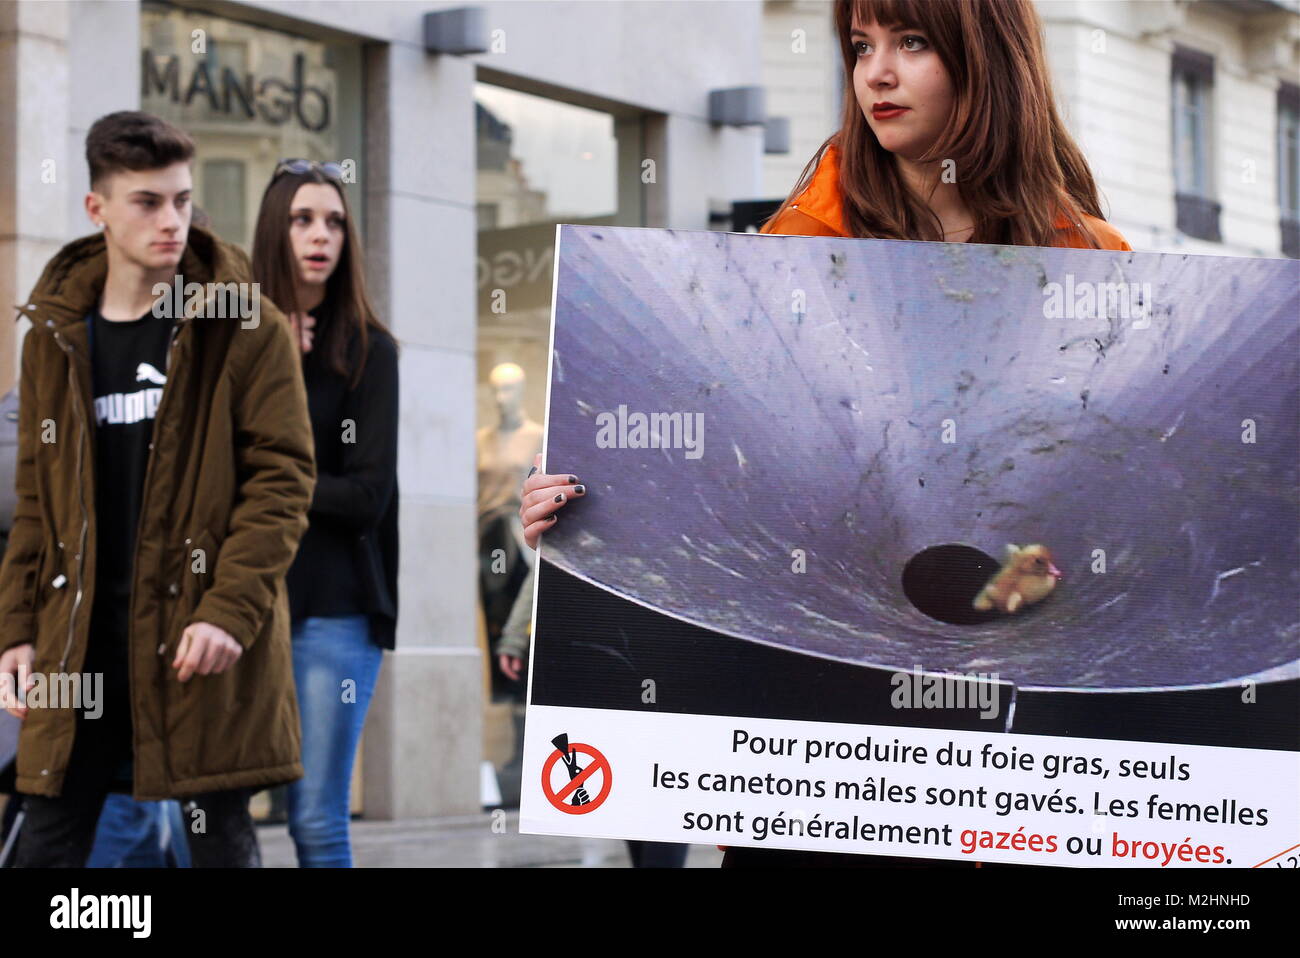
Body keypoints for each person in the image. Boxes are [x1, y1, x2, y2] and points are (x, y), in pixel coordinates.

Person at [518, 0, 1132, 867]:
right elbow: (708, 474)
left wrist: (1023, 585)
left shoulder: (1094, 267)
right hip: (812, 761)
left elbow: (1119, 518)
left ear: (986, 56)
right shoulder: (791, 251)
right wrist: (579, 508)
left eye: (911, 42)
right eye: (860, 45)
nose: (876, 72)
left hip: (1007, 760)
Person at [0, 110, 316, 868]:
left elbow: (283, 480)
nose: (171, 220)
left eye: (180, 199)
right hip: (79, 648)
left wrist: (230, 612)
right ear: (97, 208)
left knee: (220, 844)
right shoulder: (54, 337)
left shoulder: (247, 326)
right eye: (147, 202)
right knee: (42, 841)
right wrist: (15, 628)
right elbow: (37, 500)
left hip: (195, 643)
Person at [251, 158, 399, 868]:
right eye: (302, 219)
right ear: (273, 232)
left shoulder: (372, 351)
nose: (321, 236)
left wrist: (270, 477)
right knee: (206, 813)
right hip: (237, 608)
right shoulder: (235, 343)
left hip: (333, 612)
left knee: (315, 821)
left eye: (334, 221)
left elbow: (366, 495)